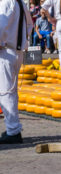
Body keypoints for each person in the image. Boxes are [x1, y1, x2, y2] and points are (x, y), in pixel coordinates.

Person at [0, 0, 34, 145]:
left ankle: (13, 130)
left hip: (6, 50)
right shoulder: (20, 2)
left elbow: (0, 25)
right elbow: (30, 25)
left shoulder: (6, 2)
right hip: (17, 50)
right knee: (10, 91)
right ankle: (12, 128)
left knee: (6, 92)